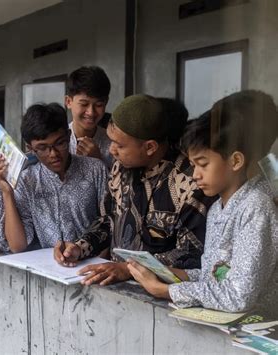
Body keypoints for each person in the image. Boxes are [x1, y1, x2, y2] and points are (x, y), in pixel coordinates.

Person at [128, 90, 278, 316]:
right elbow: (215, 275)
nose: (194, 174)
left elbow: (237, 295)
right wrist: (173, 274)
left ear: (236, 160)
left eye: (202, 164)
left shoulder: (257, 205)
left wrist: (167, 291)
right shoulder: (218, 206)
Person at [54, 94, 212, 285]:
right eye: (111, 141)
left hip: (162, 297)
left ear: (150, 147)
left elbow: (190, 254)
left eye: (120, 145)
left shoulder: (191, 182)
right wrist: (80, 248)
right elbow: (108, 220)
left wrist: (129, 269)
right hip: (114, 285)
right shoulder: (120, 167)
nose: (111, 150)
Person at [0, 103, 108, 251]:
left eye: (59, 143)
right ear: (30, 148)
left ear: (68, 135)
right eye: (42, 148)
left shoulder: (95, 169)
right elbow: (17, 246)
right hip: (51, 267)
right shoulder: (27, 180)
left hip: (93, 265)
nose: (53, 154)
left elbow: (109, 224)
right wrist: (7, 192)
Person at [65, 66, 112, 167]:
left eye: (99, 105)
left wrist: (98, 161)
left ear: (106, 102)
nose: (91, 112)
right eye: (84, 104)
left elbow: (123, 181)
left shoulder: (114, 145)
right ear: (69, 102)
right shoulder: (57, 143)